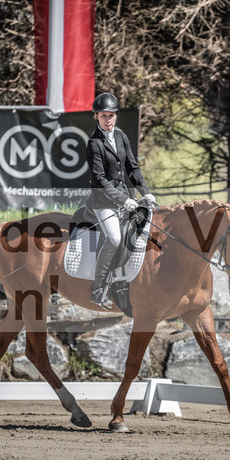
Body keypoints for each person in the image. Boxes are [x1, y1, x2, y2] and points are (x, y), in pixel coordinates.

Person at [85, 92, 154, 308]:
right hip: (103, 202)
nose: (108, 120)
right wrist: (123, 199)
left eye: (111, 115)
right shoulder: (94, 144)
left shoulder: (121, 137)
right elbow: (100, 179)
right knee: (114, 238)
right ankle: (98, 290)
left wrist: (146, 192)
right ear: (96, 117)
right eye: (104, 116)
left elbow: (132, 168)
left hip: (126, 198)